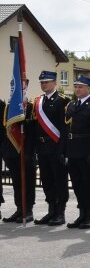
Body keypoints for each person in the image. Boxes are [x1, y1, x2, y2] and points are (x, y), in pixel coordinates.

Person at [32, 70, 69, 226]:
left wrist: (62, 150)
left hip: (55, 146)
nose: (44, 85)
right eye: (42, 82)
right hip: (42, 147)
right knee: (46, 180)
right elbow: (35, 126)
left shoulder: (63, 101)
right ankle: (51, 210)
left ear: (55, 83)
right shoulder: (38, 102)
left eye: (46, 82)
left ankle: (60, 213)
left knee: (59, 180)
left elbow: (64, 128)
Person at [64, 75, 90, 229]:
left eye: (80, 87)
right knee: (77, 184)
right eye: (76, 86)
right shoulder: (71, 105)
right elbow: (66, 129)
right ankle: (82, 214)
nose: (77, 89)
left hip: (86, 150)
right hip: (73, 150)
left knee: (89, 184)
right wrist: (65, 151)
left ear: (88, 89)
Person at [1, 85, 36, 223]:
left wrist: (29, 151)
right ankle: (19, 209)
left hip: (26, 151)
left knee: (28, 181)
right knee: (16, 182)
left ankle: (28, 210)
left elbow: (33, 131)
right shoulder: (9, 107)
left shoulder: (31, 107)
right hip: (12, 151)